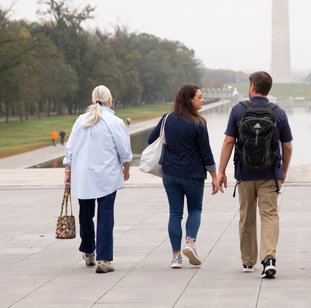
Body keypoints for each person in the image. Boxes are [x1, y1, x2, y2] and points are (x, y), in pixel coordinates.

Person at [218, 71, 293, 278]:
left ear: (252, 86)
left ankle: (248, 262)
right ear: (268, 89)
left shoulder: (238, 110)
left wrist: (221, 171)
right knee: (269, 216)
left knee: (247, 217)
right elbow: (287, 147)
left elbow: (228, 142)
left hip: (244, 172)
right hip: (270, 174)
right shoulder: (278, 112)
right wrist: (283, 171)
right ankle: (269, 259)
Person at [147, 84, 221, 269]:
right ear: (189, 99)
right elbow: (206, 153)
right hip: (192, 174)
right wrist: (214, 176)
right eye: (199, 97)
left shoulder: (167, 118)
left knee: (175, 213)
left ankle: (175, 256)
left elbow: (151, 139)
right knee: (195, 209)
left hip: (170, 173)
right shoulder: (198, 122)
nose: (203, 100)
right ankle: (190, 243)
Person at [63, 85, 132, 274]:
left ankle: (88, 251)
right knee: (105, 217)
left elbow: (70, 149)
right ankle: (104, 258)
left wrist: (67, 171)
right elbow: (124, 151)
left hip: (83, 176)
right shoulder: (115, 121)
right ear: (110, 101)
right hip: (106, 177)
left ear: (93, 101)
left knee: (85, 216)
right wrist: (126, 169)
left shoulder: (80, 120)